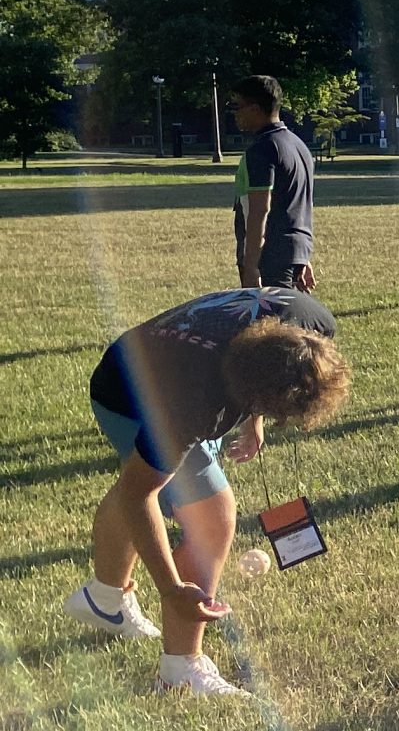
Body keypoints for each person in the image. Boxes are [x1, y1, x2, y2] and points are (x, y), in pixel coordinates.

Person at [62, 286, 348, 696]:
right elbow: (137, 495)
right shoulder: (198, 403)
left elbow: (272, 362)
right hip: (126, 393)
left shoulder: (311, 321)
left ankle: (103, 600)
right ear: (247, 395)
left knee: (144, 472)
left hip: (139, 355)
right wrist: (172, 589)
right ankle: (180, 670)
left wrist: (256, 420)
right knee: (212, 517)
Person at [231, 74, 317, 291]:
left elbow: (260, 209)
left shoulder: (262, 149)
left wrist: (251, 266)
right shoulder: (299, 146)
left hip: (269, 257)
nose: (235, 113)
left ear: (254, 108)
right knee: (289, 323)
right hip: (294, 252)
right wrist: (301, 257)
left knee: (269, 324)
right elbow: (297, 208)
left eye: (238, 106)